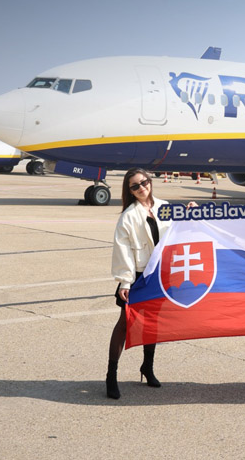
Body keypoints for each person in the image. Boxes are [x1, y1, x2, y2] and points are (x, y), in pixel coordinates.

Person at [106, 168, 170, 400]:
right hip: (137, 276)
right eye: (135, 186)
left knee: (152, 322)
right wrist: (125, 281)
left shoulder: (164, 207)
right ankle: (111, 375)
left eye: (144, 182)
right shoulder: (128, 216)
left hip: (158, 275)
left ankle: (147, 367)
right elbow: (122, 250)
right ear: (130, 191)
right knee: (124, 324)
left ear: (150, 182)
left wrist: (189, 212)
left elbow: (179, 230)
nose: (142, 188)